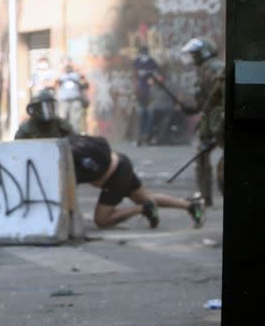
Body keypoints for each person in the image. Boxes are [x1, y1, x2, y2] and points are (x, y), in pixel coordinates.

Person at [14, 106, 205, 230]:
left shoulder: (66, 157)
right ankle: (190, 206)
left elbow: (65, 194)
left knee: (102, 220)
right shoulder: (70, 141)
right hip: (121, 162)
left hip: (114, 176)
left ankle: (142, 209)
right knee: (145, 196)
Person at [181, 36, 225, 207]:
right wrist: (191, 108)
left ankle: (210, 196)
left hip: (218, 119)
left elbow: (219, 97)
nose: (193, 58)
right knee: (202, 155)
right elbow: (204, 100)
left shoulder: (214, 67)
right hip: (211, 118)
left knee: (210, 157)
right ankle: (205, 196)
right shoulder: (204, 69)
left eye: (195, 54)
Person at [133, 46, 160, 146]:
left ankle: (146, 137)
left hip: (148, 92)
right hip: (142, 92)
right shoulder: (138, 62)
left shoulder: (151, 62)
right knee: (143, 115)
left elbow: (156, 75)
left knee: (147, 115)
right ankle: (142, 138)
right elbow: (135, 76)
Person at [55, 60, 90, 133]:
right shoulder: (59, 75)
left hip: (75, 101)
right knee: (62, 120)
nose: (68, 65)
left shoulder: (78, 75)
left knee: (75, 121)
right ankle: (63, 136)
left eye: (69, 63)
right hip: (63, 101)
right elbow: (54, 85)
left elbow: (85, 85)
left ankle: (75, 136)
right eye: (65, 63)